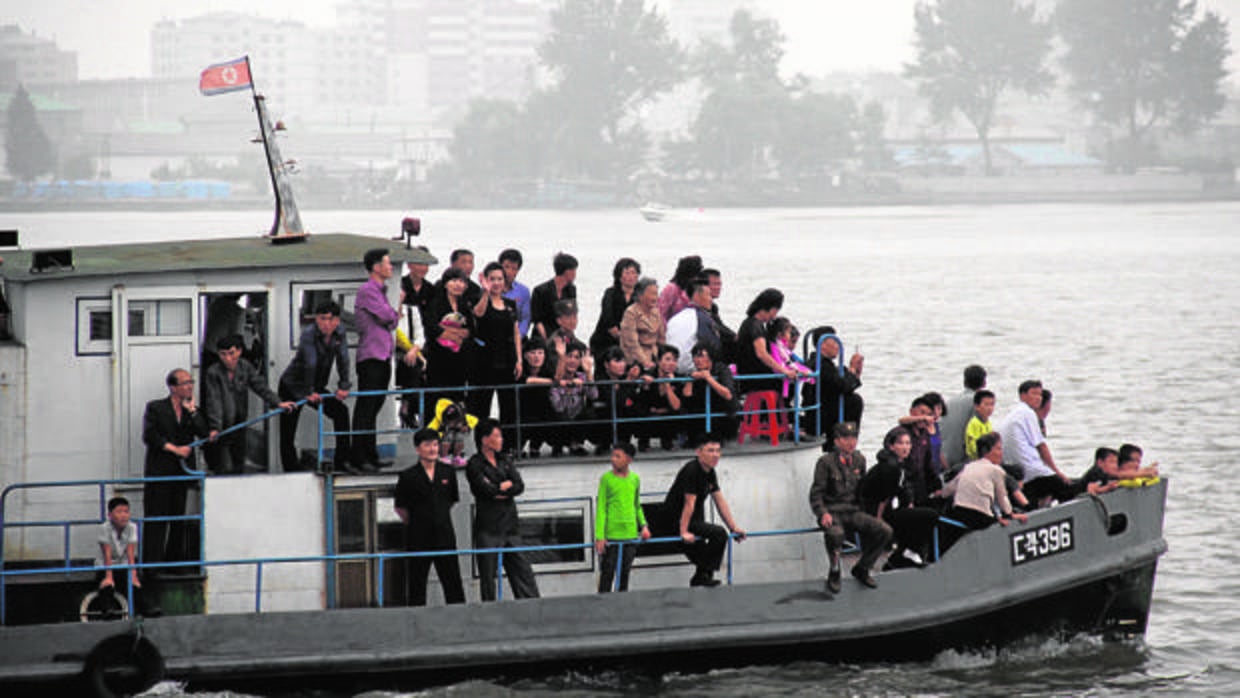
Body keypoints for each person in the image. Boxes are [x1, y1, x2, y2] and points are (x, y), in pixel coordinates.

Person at [808, 422, 892, 591]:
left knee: (884, 530)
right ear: (837, 441)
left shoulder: (859, 460)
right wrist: (822, 513)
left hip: (853, 511)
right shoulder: (825, 462)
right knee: (836, 534)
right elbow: (816, 493)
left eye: (853, 438)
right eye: (845, 438)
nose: (850, 442)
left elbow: (863, 489)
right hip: (833, 512)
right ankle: (835, 570)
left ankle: (863, 567)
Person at [465, 418, 541, 602]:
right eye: (496, 436)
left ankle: (531, 605)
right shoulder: (474, 464)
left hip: (510, 526)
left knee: (522, 570)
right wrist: (502, 488)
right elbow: (486, 490)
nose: (501, 440)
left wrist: (503, 489)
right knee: (488, 577)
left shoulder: (505, 459)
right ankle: (490, 612)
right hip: (488, 528)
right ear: (484, 440)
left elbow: (518, 485)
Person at [141, 368, 209, 572]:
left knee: (178, 519)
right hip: (160, 473)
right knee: (157, 519)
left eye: (191, 382)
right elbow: (150, 436)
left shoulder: (192, 411)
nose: (190, 386)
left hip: (182, 473)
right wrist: (175, 449)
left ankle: (174, 564)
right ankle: (152, 566)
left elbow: (204, 432)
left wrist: (193, 411)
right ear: (173, 387)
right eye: (185, 383)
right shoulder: (156, 408)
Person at [657, 435, 746, 587]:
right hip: (674, 521)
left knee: (710, 548)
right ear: (699, 452)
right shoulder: (691, 470)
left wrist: (733, 526)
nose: (715, 455)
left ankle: (702, 576)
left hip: (692, 520)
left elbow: (719, 500)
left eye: (718, 451)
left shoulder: (710, 472)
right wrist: (683, 531)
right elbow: (689, 503)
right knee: (718, 534)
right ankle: (702, 576)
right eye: (710, 451)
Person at [278, 301, 353, 473]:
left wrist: (343, 385)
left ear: (337, 321)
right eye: (322, 319)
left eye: (330, 319)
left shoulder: (340, 333)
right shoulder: (308, 335)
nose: (326, 324)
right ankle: (290, 469)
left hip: (315, 385)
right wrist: (308, 392)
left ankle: (342, 461)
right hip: (292, 385)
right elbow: (310, 363)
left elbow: (344, 359)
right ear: (316, 320)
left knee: (341, 412)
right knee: (288, 429)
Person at [394, 428, 466, 606]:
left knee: (454, 587)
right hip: (418, 540)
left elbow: (451, 501)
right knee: (417, 588)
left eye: (435, 444)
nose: (433, 449)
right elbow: (400, 508)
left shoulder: (448, 472)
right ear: (417, 449)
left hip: (445, 537)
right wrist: (420, 521)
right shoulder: (407, 476)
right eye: (427, 445)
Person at [202, 334, 292, 474]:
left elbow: (260, 387)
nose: (227, 359)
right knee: (224, 465)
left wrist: (278, 403)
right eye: (223, 354)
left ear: (239, 351)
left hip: (240, 422)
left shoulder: (245, 367)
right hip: (222, 428)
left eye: (231, 353)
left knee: (239, 461)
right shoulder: (213, 372)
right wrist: (215, 427)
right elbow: (214, 401)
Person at [859, 426, 939, 570]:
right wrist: (879, 521)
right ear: (891, 446)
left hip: (892, 508)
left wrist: (909, 503)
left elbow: (903, 490)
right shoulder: (890, 467)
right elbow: (883, 496)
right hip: (877, 512)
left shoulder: (901, 465)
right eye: (901, 443)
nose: (906, 447)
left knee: (921, 513)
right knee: (930, 516)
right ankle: (907, 552)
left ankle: (902, 555)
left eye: (908, 443)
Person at [937, 432, 1029, 553]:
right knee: (997, 519)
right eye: (998, 449)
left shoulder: (969, 467)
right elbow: (1003, 497)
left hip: (959, 511)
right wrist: (1010, 515)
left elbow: (948, 490)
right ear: (987, 451)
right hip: (980, 517)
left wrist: (937, 494)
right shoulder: (996, 470)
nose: (1001, 453)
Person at [353, 248, 401, 471]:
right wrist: (393, 312)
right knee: (366, 407)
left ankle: (370, 455)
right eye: (387, 263)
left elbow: (392, 322)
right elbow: (388, 316)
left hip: (382, 356)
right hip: (371, 356)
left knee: (374, 407)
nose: (390, 267)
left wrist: (392, 315)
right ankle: (360, 456)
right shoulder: (368, 291)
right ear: (376, 266)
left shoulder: (380, 291)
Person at [996, 380, 1075, 506]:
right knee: (1066, 488)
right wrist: (1057, 473)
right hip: (1031, 471)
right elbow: (1042, 447)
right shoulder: (1027, 413)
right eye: (1034, 394)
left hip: (1019, 473)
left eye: (1040, 395)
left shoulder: (1013, 413)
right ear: (1023, 396)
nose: (1038, 398)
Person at [468, 262, 522, 439]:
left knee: (509, 407)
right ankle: (481, 443)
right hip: (484, 362)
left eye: (500, 279)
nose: (496, 283)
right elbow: (479, 313)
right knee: (481, 406)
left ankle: (507, 446)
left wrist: (519, 359)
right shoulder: (480, 299)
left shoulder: (510, 304)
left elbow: (516, 333)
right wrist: (485, 291)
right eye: (493, 279)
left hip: (507, 360)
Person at [595, 442, 651, 592]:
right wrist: (600, 536)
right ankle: (602, 604)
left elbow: (637, 505)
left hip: (630, 534)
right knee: (607, 573)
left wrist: (644, 525)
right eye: (613, 456)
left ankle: (622, 606)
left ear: (628, 459)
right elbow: (601, 508)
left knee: (624, 573)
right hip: (612, 535)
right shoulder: (606, 479)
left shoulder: (635, 479)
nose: (613, 459)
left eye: (617, 456)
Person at [423, 267, 476, 414]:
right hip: (438, 359)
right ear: (446, 283)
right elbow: (433, 328)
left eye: (461, 281)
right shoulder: (435, 303)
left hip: (459, 360)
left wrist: (449, 331)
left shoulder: (465, 305)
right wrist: (454, 334)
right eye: (454, 280)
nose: (458, 284)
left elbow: (470, 330)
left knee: (457, 398)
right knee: (437, 399)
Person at [96, 496, 158, 617]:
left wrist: (134, 576)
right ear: (110, 515)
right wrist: (109, 576)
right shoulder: (104, 528)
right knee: (106, 585)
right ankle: (109, 610)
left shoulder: (132, 527)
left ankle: (148, 609)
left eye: (126, 511)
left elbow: (131, 554)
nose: (123, 515)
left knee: (135, 583)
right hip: (105, 565)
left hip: (123, 565)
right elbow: (106, 554)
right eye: (119, 512)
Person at [395, 245, 435, 428]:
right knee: (411, 367)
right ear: (410, 264)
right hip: (399, 343)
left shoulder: (431, 289)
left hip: (421, 340)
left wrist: (417, 348)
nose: (423, 268)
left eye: (426, 264)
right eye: (419, 263)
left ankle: (415, 411)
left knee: (423, 369)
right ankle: (407, 409)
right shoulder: (399, 285)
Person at [801, 326, 864, 438]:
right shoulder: (820, 365)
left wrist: (854, 372)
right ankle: (846, 438)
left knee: (853, 399)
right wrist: (852, 370)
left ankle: (848, 437)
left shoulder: (822, 363)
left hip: (823, 411)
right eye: (834, 342)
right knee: (855, 401)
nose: (837, 346)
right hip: (822, 416)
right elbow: (842, 386)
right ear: (823, 345)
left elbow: (843, 384)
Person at [735, 288, 796, 395]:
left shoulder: (747, 323)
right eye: (775, 311)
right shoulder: (756, 326)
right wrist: (784, 371)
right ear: (771, 308)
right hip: (756, 379)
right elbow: (762, 354)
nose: (774, 316)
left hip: (747, 375)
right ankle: (786, 410)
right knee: (790, 384)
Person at [588, 257, 641, 372]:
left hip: (630, 341)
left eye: (634, 273)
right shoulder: (610, 293)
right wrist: (619, 333)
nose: (631, 276)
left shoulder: (640, 296)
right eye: (627, 273)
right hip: (606, 339)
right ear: (619, 276)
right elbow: (607, 316)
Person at [680, 342, 738, 443]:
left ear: (710, 357)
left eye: (702, 356)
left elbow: (728, 394)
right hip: (701, 415)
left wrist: (708, 378)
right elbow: (687, 398)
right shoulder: (694, 372)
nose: (698, 360)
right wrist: (690, 379)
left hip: (722, 413)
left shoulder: (722, 369)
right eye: (695, 357)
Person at [548, 340, 597, 456]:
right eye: (569, 356)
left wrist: (589, 373)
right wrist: (568, 390)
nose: (573, 361)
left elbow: (594, 395)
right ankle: (558, 445)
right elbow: (558, 407)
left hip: (576, 420)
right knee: (559, 416)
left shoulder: (582, 377)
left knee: (590, 413)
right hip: (558, 424)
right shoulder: (555, 376)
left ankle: (576, 444)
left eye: (577, 357)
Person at [666, 277, 720, 374]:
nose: (711, 300)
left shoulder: (675, 318)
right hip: (692, 372)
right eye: (709, 296)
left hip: (672, 370)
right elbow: (714, 348)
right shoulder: (702, 319)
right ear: (697, 296)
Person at [636, 344, 683, 451]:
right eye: (668, 359)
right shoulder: (648, 375)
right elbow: (641, 399)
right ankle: (644, 442)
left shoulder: (678, 378)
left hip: (668, 414)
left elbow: (676, 406)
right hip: (649, 413)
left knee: (676, 413)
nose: (672, 363)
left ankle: (668, 441)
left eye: (675, 360)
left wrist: (667, 385)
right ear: (659, 361)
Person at [515, 336, 555, 457]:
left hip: (542, 414)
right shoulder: (520, 370)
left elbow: (556, 379)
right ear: (525, 355)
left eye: (540, 353)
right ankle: (518, 447)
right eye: (532, 353)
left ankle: (535, 446)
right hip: (523, 413)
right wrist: (549, 382)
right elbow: (524, 380)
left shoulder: (548, 369)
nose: (537, 357)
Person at [940, 365, 986, 469]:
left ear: (964, 382)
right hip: (960, 462)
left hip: (943, 457)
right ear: (984, 383)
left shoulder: (951, 401)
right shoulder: (978, 404)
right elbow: (975, 437)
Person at [619, 277, 665, 373]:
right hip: (635, 360)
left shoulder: (656, 312)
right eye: (652, 294)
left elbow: (661, 338)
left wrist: (663, 358)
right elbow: (631, 342)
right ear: (640, 296)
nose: (656, 298)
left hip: (654, 355)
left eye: (656, 294)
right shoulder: (631, 312)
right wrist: (644, 361)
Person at [529, 252, 578, 339]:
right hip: (543, 333)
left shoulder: (571, 290)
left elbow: (572, 314)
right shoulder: (540, 291)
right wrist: (547, 340)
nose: (575, 274)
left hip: (563, 333)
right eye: (574, 270)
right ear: (567, 272)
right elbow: (537, 320)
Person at [702, 268, 738, 365]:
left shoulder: (713, 307)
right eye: (715, 284)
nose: (718, 287)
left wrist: (735, 335)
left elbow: (720, 325)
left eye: (719, 284)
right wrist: (734, 336)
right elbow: (715, 326)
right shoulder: (700, 307)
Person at [427, 399, 477, 467]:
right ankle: (443, 457)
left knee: (459, 436)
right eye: (454, 422)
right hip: (441, 443)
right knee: (448, 436)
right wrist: (440, 435)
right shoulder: (437, 421)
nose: (457, 423)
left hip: (455, 443)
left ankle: (456, 456)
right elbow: (429, 431)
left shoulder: (462, 416)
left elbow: (475, 420)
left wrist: (468, 427)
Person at [658, 255, 703, 323]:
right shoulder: (671, 289)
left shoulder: (696, 289)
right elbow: (660, 313)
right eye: (695, 275)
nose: (697, 278)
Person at [499, 248, 532, 337]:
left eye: (514, 268)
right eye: (506, 267)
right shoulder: (488, 289)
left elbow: (525, 318)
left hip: (515, 336)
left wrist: (518, 337)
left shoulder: (523, 291)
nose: (509, 272)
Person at [963, 389, 996, 462]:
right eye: (986, 404)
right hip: (975, 460)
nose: (990, 408)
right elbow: (973, 447)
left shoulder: (988, 423)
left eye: (992, 404)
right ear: (977, 407)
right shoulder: (974, 423)